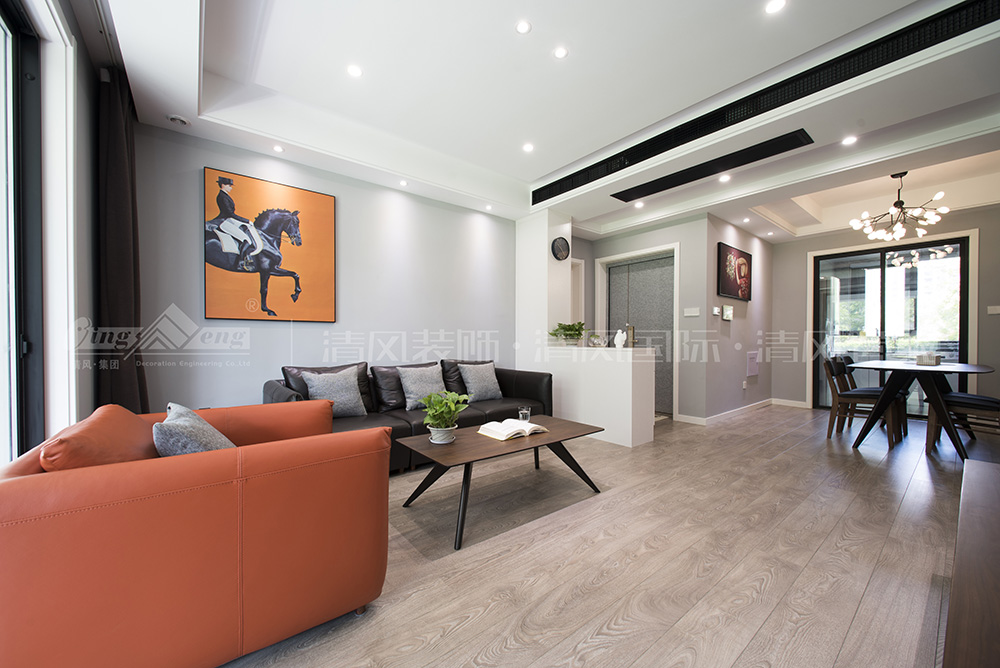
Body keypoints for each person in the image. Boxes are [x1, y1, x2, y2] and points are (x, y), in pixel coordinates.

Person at [212, 176, 255, 271]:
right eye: (229, 185)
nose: (231, 188)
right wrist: (246, 220)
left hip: (229, 220)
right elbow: (230, 213)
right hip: (224, 221)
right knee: (246, 239)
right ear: (223, 185)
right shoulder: (222, 197)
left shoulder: (225, 195)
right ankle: (241, 262)